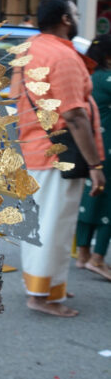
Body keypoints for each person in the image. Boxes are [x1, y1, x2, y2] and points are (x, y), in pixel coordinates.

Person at [11, 0, 105, 317]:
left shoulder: (29, 49)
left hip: (37, 148)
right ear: (65, 19)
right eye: (75, 13)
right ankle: (41, 297)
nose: (77, 18)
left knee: (45, 225)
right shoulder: (62, 56)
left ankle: (47, 286)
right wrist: (95, 164)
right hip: (59, 155)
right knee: (54, 227)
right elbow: (75, 115)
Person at [75, 34, 111, 281]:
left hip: (89, 144)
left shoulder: (87, 77)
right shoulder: (107, 79)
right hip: (107, 147)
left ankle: (83, 254)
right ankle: (98, 259)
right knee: (108, 202)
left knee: (89, 197)